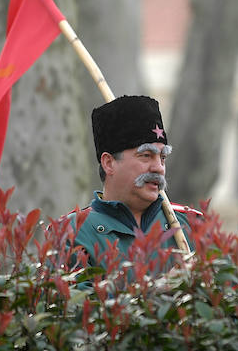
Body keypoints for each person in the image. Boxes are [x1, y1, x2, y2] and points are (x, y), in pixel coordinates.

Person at [68, 95, 198, 263]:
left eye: (163, 157)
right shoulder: (71, 233)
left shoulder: (193, 224)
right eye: (146, 155)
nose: (159, 167)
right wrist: (163, 288)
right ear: (109, 163)